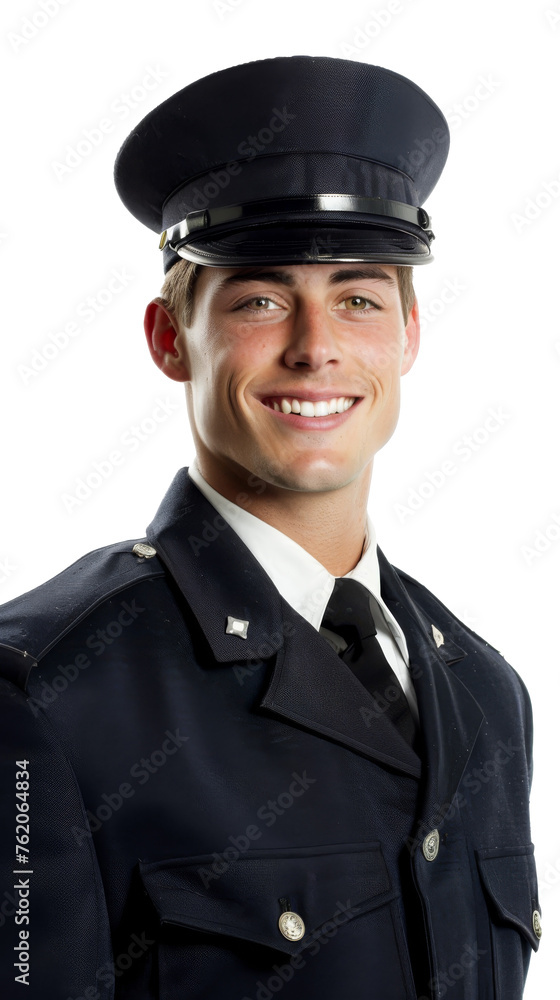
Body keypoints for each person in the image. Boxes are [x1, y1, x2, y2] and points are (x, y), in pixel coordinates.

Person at [0, 55, 540, 1000]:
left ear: (409, 334)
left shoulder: (488, 693)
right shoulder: (46, 693)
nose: (315, 345)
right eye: (259, 298)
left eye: (360, 297)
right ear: (172, 338)